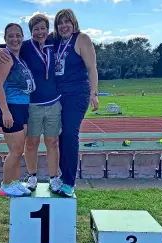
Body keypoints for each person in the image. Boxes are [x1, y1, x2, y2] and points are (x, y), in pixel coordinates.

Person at [0, 14, 63, 193]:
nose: (40, 32)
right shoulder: (20, 49)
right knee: (25, 145)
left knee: (50, 142)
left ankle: (51, 178)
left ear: (48, 29)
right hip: (25, 106)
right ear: (30, 33)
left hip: (43, 104)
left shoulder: (54, 41)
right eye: (36, 29)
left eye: (43, 28)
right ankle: (22, 179)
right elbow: (1, 52)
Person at [53, 9, 99, 197]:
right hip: (57, 95)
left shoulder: (82, 39)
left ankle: (69, 182)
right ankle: (59, 176)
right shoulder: (54, 40)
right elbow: (31, 43)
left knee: (70, 134)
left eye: (67, 22)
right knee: (58, 136)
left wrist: (94, 93)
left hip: (77, 94)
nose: (64, 26)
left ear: (74, 23)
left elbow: (92, 67)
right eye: (60, 23)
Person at [0, 23, 36, 197]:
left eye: (18, 35)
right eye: (11, 36)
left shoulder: (19, 57)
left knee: (19, 150)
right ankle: (5, 185)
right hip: (10, 107)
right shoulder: (5, 56)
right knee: (15, 151)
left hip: (22, 107)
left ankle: (15, 182)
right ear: (5, 39)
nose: (15, 39)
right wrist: (6, 112)